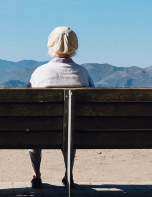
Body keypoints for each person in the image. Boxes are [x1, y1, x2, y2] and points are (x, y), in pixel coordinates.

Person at [27, 26, 94, 189]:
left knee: (33, 127)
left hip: (43, 131)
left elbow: (27, 102)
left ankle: (36, 173)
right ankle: (68, 173)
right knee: (71, 126)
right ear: (75, 46)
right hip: (74, 131)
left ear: (50, 45)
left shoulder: (40, 72)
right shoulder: (82, 73)